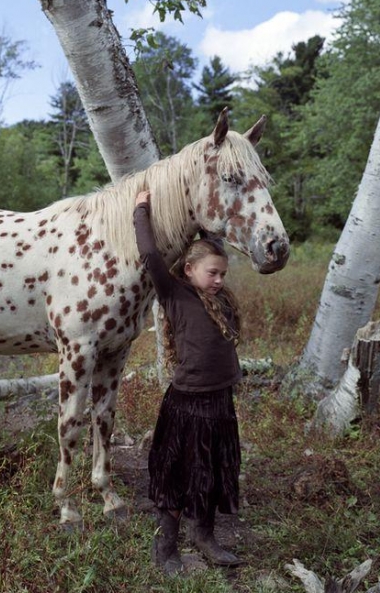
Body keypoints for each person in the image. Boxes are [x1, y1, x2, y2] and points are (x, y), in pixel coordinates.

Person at [133, 189, 243, 575]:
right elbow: (149, 255)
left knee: (212, 470)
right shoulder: (174, 293)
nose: (217, 280)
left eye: (222, 274)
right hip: (186, 403)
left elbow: (225, 348)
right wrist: (141, 208)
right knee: (178, 473)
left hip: (219, 403)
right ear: (189, 270)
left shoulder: (225, 301)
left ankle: (205, 536)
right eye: (211, 273)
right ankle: (166, 545)